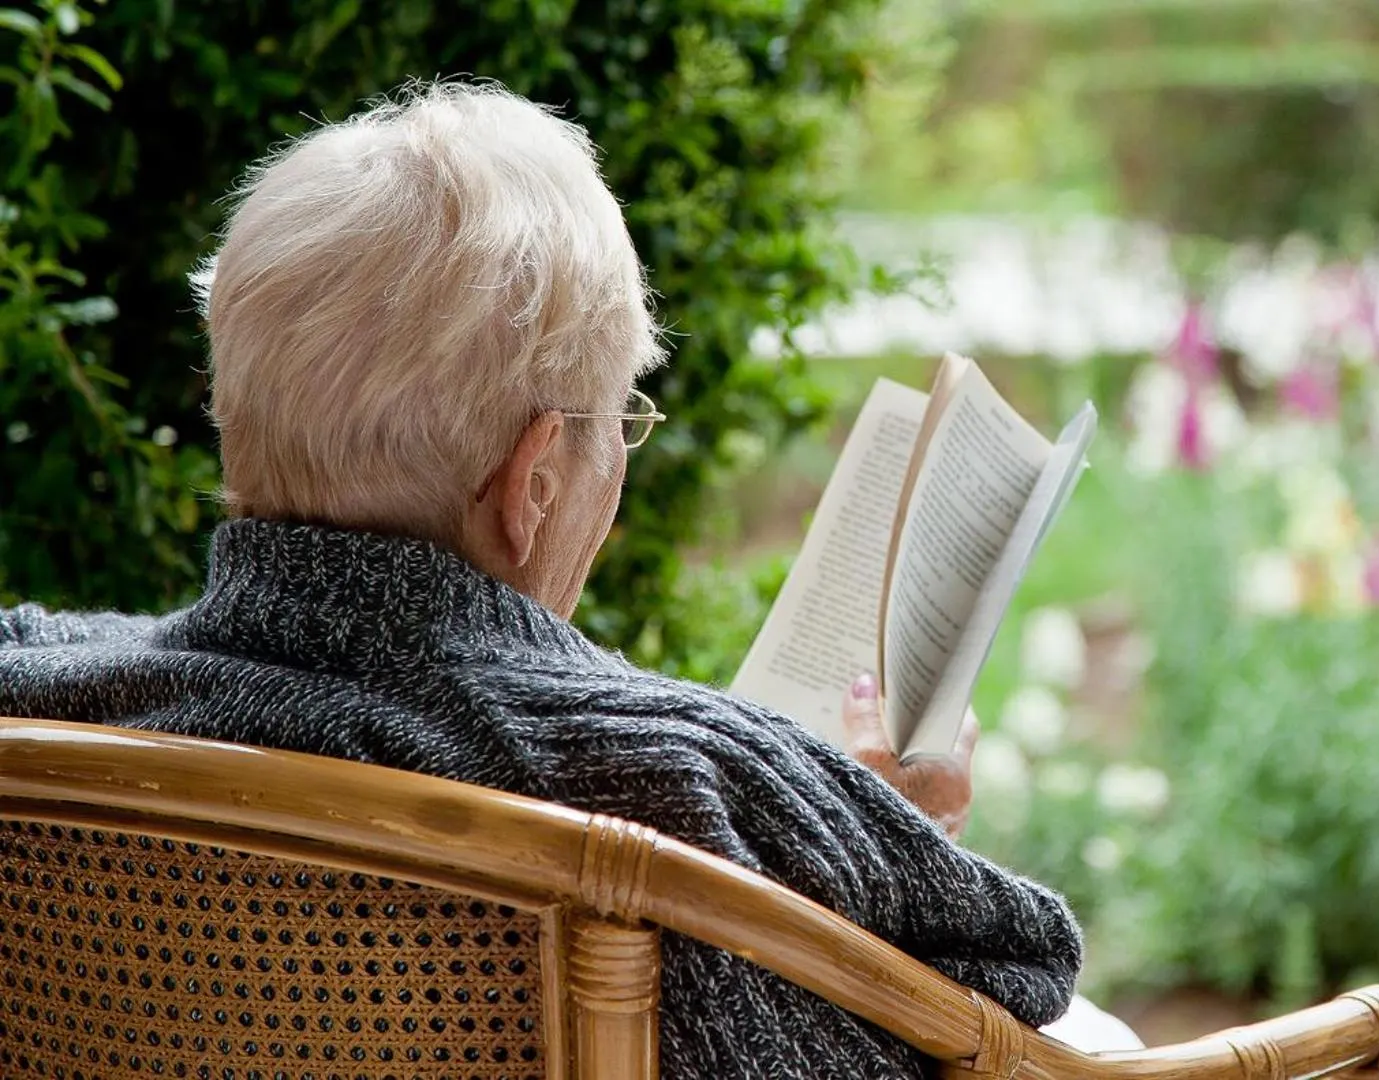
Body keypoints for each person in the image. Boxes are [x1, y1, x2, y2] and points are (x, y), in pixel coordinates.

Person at [0, 81, 1087, 1077]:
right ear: (530, 485)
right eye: (618, 422)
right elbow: (1009, 996)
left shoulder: (38, 696)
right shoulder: (685, 791)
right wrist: (870, 839)